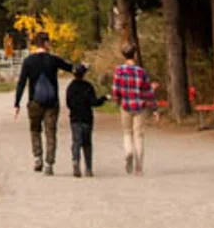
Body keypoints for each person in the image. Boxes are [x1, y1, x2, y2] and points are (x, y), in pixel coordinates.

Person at [14, 30, 73, 174]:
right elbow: (71, 68)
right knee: (50, 132)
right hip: (52, 103)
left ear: (36, 44)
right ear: (46, 43)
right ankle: (49, 164)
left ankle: (37, 157)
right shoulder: (53, 60)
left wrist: (17, 103)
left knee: (35, 130)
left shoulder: (28, 61)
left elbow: (21, 83)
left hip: (34, 101)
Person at [111, 43, 158, 175]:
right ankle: (139, 168)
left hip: (126, 105)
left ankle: (128, 152)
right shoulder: (140, 72)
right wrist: (154, 108)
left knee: (127, 133)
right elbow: (148, 91)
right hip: (140, 106)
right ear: (135, 54)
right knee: (139, 136)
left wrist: (118, 101)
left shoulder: (119, 71)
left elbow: (116, 90)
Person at [66, 62, 106, 177]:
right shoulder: (88, 86)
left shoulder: (71, 87)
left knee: (76, 142)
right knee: (87, 143)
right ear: (84, 74)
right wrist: (103, 99)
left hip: (75, 118)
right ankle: (88, 168)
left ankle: (75, 161)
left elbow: (68, 103)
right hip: (87, 118)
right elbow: (94, 102)